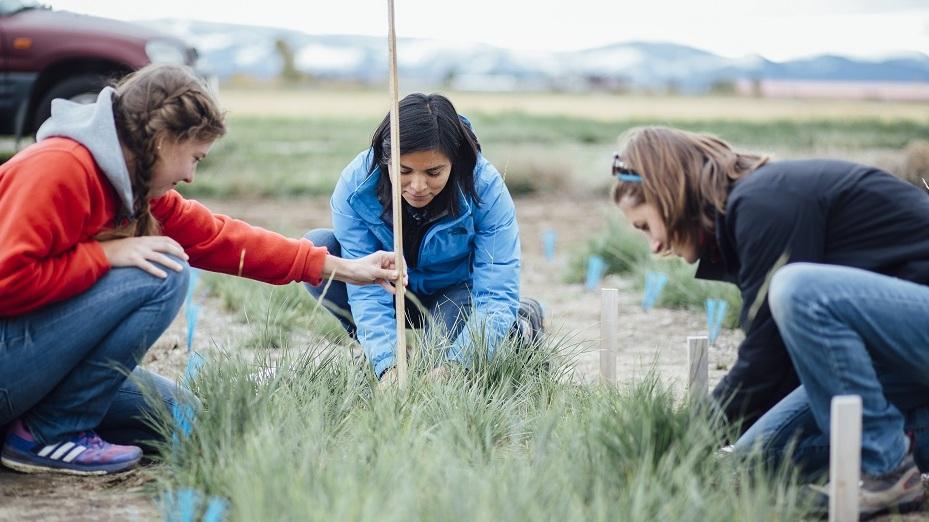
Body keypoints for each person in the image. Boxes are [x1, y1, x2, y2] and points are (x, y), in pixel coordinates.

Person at [0, 64, 402, 476]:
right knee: (165, 269)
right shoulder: (59, 167)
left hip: (40, 360)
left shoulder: (136, 188)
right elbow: (7, 280)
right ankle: (48, 433)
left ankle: (37, 424)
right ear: (161, 139)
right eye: (194, 157)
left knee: (182, 417)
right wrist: (105, 256)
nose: (191, 176)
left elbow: (220, 238)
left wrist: (342, 268)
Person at [610, 126, 929, 516]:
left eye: (645, 226)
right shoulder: (748, 217)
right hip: (904, 356)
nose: (655, 246)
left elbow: (765, 361)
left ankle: (887, 472)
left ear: (669, 193)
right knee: (751, 463)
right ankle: (903, 448)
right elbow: (795, 364)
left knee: (798, 289)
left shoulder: (765, 201)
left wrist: (682, 439)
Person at [304, 93, 543, 383]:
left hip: (456, 293)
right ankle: (383, 352)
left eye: (433, 172)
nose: (418, 186)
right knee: (319, 249)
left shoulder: (486, 188)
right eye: (403, 170)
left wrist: (457, 367)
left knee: (436, 364)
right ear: (385, 158)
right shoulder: (355, 186)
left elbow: (494, 293)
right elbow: (363, 286)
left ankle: (519, 325)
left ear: (454, 162)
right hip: (390, 292)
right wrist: (387, 366)